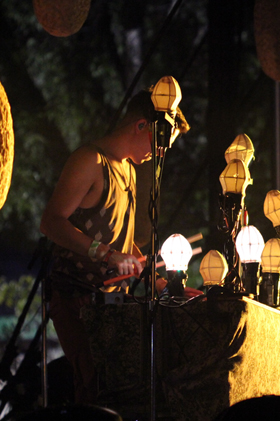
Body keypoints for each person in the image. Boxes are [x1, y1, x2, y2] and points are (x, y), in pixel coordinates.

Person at [39, 88, 196, 404]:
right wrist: (106, 254)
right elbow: (51, 223)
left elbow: (122, 245)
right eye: (159, 140)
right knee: (93, 387)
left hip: (110, 304)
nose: (159, 151)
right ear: (141, 125)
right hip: (75, 296)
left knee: (119, 389)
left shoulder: (129, 170)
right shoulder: (90, 160)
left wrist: (156, 278)